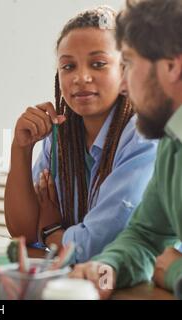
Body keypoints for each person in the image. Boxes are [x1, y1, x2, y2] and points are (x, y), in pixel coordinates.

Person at [4, 6, 158, 262]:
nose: (81, 77)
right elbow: (23, 233)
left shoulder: (142, 135)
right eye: (68, 66)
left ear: (125, 72)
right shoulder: (60, 136)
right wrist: (20, 149)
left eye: (98, 64)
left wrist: (52, 232)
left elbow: (101, 245)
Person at [70, 0, 182, 300]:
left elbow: (170, 264)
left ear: (172, 66)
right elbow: (146, 236)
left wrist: (176, 272)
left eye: (129, 63)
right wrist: (107, 268)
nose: (124, 85)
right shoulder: (173, 144)